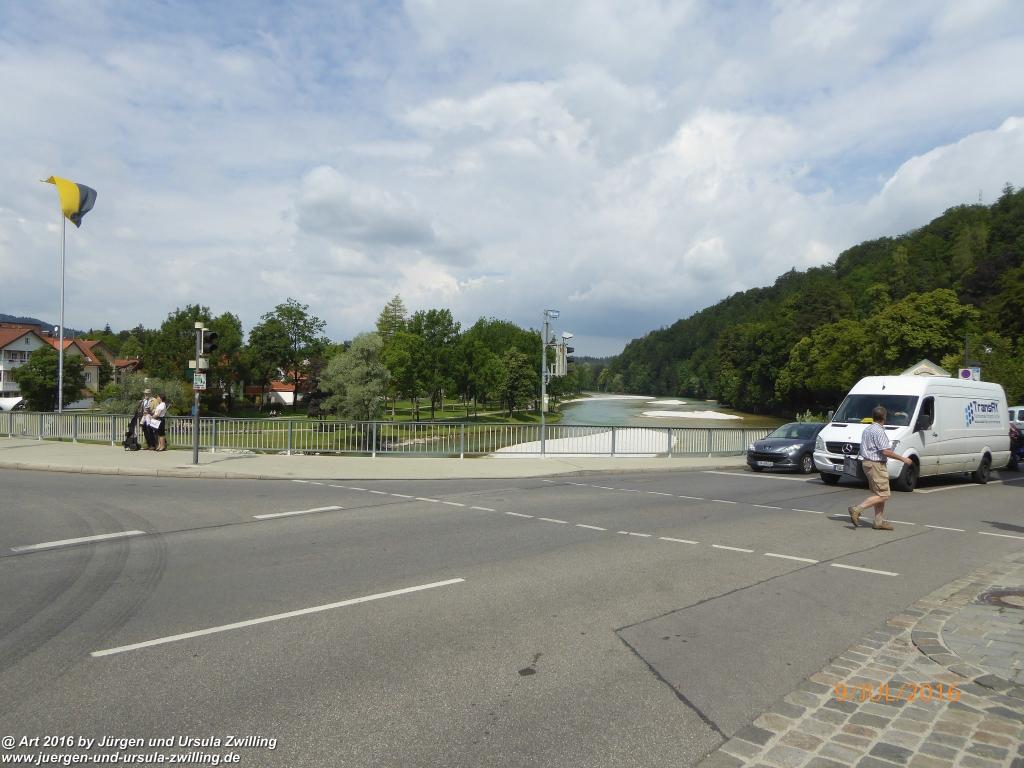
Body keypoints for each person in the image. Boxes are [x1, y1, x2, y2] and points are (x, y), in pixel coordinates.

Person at [848, 406, 913, 530]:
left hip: (867, 463)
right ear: (884, 417)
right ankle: (857, 509)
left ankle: (878, 522)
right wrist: (903, 459)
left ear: (873, 416)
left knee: (878, 494)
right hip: (876, 465)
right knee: (884, 495)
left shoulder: (867, 429)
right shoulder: (879, 431)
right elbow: (886, 451)